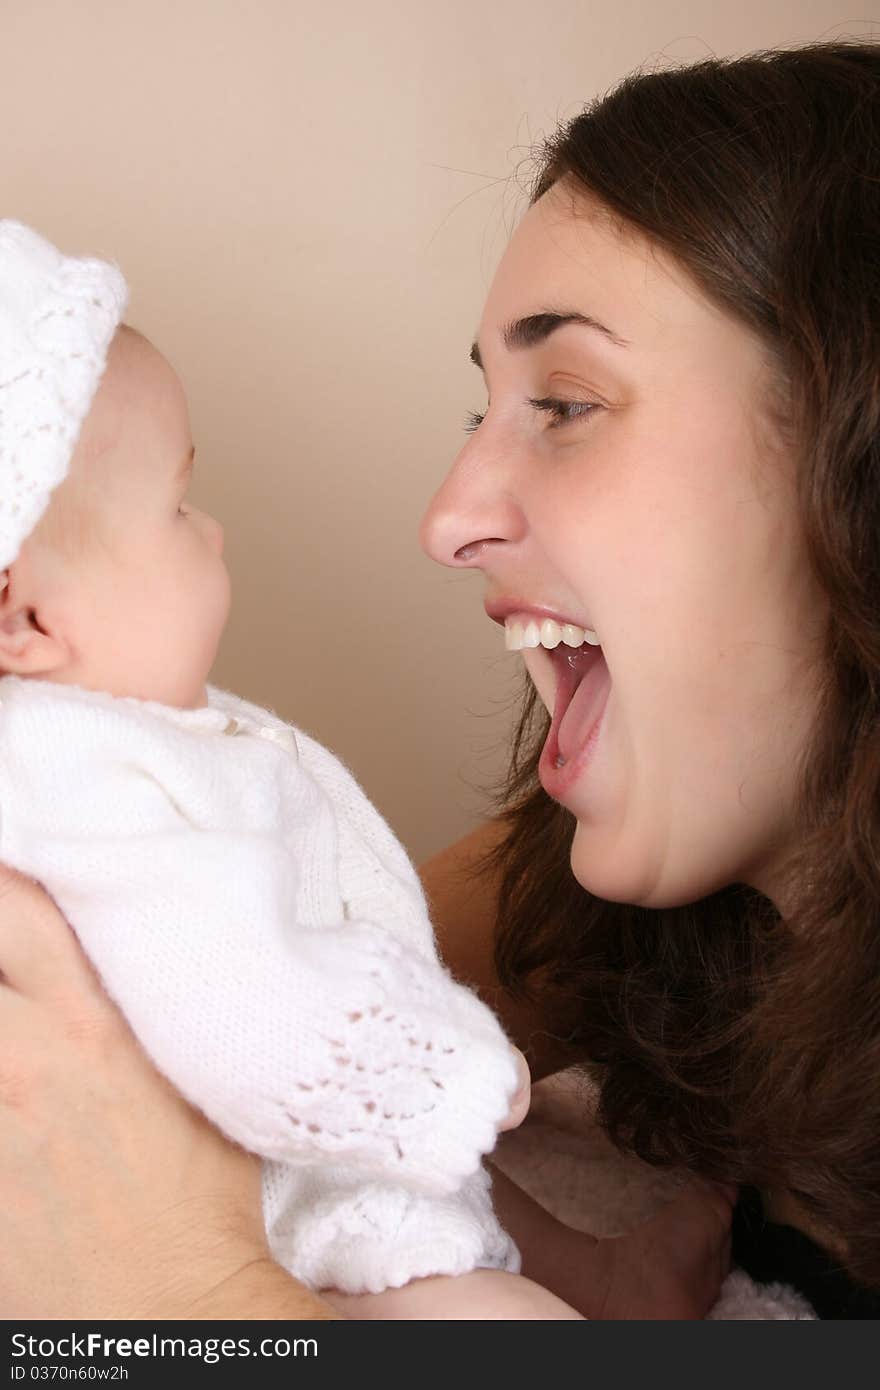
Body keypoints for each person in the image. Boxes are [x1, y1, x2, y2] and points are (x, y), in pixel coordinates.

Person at [0, 36, 873, 1320]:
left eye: (565, 401)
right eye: (484, 412)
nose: (447, 516)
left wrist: (198, 1294)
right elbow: (352, 977)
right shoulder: (637, 899)